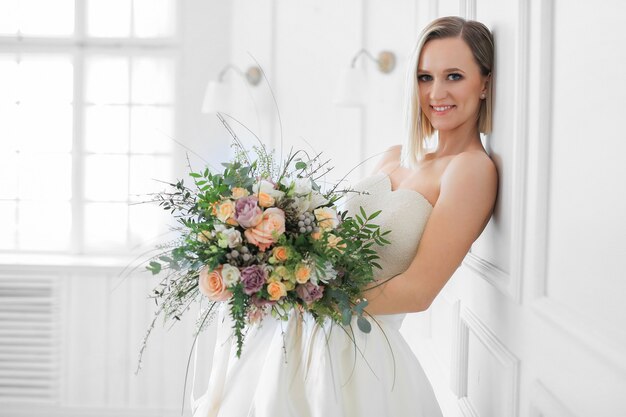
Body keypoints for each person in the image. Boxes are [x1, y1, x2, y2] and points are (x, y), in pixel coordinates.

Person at [191, 15, 497, 417]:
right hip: (295, 335)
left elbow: (419, 290)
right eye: (425, 77)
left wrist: (308, 294)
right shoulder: (393, 156)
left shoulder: (470, 170)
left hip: (355, 358)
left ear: (485, 84)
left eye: (453, 76)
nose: (436, 92)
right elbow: (334, 239)